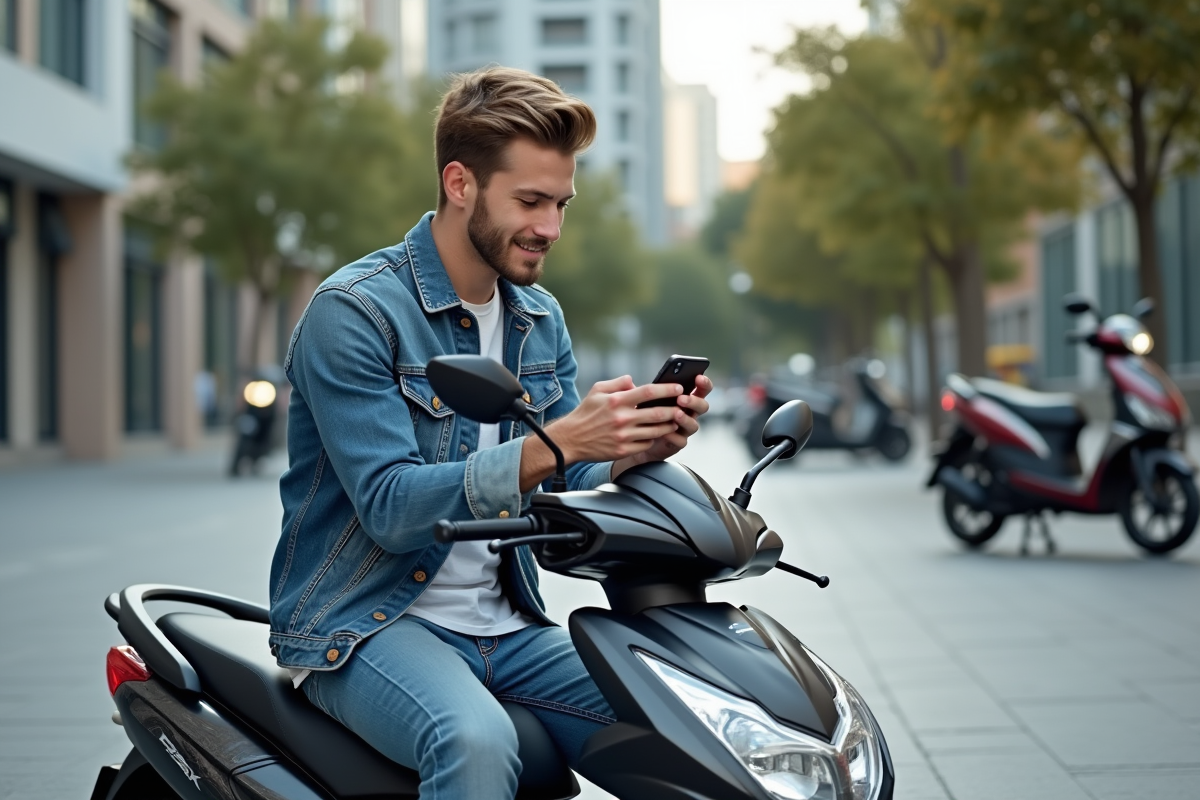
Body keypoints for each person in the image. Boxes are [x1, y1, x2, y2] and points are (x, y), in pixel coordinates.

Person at [268, 66, 711, 799]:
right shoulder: (354, 312)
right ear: (459, 183)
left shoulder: (541, 319)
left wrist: (634, 448)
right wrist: (562, 440)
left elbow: (568, 484)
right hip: (366, 628)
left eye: (562, 203)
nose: (550, 228)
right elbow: (392, 506)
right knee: (472, 740)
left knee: (683, 717)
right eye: (531, 201)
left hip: (510, 625)